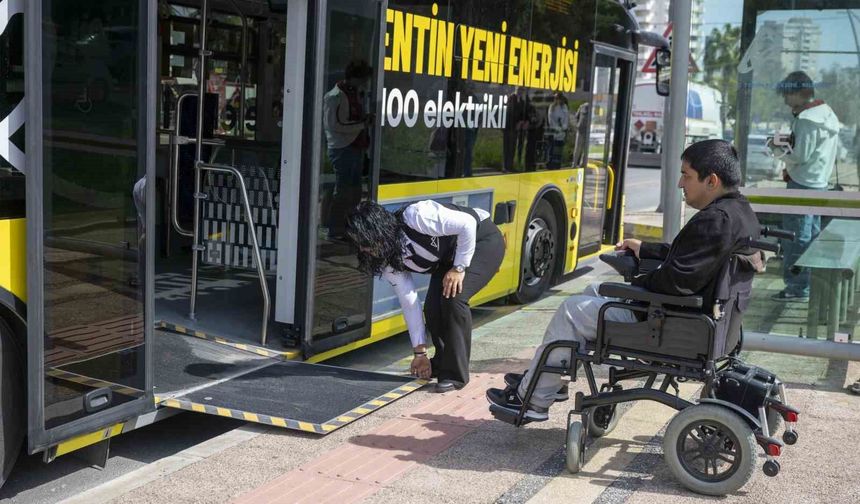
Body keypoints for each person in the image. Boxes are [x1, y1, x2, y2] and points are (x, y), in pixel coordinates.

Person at [487, 139, 760, 420]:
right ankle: (547, 382)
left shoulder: (714, 220)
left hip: (671, 323)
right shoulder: (740, 214)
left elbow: (678, 281)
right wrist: (646, 249)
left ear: (711, 180)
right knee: (594, 290)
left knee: (572, 311)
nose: (680, 183)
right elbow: (693, 258)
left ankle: (532, 400)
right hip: (696, 319)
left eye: (687, 175)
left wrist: (632, 290)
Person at [346, 200, 505, 393]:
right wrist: (419, 352)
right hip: (448, 259)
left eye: (365, 242)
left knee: (454, 299)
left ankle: (455, 375)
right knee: (432, 308)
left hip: (481, 240)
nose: (363, 249)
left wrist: (459, 267)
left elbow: (467, 224)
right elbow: (409, 301)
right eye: (358, 244)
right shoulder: (386, 260)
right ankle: (438, 364)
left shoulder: (416, 216)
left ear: (379, 231)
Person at [770, 71, 840, 301]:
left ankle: (797, 288)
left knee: (795, 238)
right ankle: (807, 285)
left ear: (801, 94)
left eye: (788, 94)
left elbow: (800, 155)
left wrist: (776, 148)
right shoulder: (826, 115)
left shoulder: (807, 119)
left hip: (801, 183)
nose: (785, 100)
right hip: (818, 183)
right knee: (810, 237)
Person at [323, 60, 374, 239]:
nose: (364, 84)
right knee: (343, 190)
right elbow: (334, 125)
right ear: (354, 78)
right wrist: (361, 125)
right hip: (342, 147)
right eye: (362, 79)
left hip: (355, 145)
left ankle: (347, 226)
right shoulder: (334, 96)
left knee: (355, 191)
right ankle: (335, 229)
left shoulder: (355, 93)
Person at [546, 92, 570, 169]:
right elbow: (551, 120)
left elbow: (566, 118)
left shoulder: (564, 107)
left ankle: (557, 165)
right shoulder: (552, 107)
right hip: (554, 132)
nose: (559, 100)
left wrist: (563, 127)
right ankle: (550, 165)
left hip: (562, 132)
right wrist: (557, 128)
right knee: (552, 150)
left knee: (559, 150)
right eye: (557, 98)